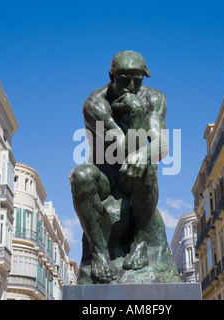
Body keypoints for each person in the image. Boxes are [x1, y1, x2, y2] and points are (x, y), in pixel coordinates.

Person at [69, 50, 170, 284]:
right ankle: (100, 253)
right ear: (111, 75)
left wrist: (146, 153)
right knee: (81, 175)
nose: (131, 85)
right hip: (106, 178)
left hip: (132, 181)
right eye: (124, 78)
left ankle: (141, 242)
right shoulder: (95, 104)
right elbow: (123, 149)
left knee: (148, 166)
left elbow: (162, 145)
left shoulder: (154, 99)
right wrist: (135, 114)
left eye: (138, 78)